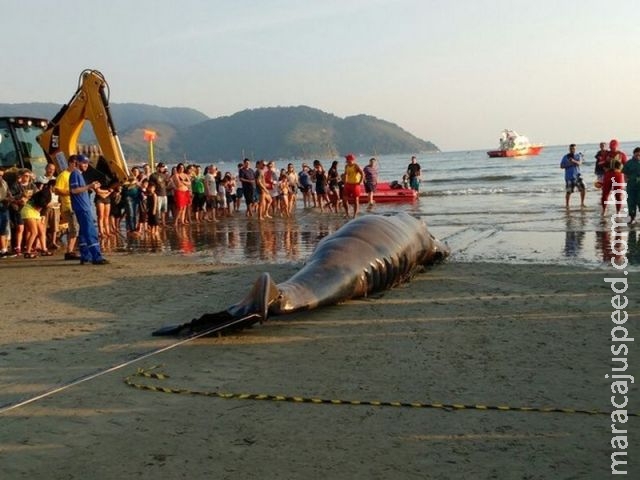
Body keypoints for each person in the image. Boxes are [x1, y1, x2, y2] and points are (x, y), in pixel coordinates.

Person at [69, 155, 108, 265]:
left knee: (83, 232)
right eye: (83, 163)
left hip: (84, 206)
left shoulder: (80, 175)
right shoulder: (75, 174)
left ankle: (85, 256)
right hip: (82, 207)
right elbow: (74, 190)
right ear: (77, 163)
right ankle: (96, 257)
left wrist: (93, 187)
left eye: (87, 163)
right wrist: (89, 186)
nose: (86, 165)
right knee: (91, 231)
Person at [54, 157, 81, 260]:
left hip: (77, 205)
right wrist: (71, 192)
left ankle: (71, 249)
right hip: (68, 205)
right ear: (69, 163)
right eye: (74, 163)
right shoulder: (63, 175)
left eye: (77, 163)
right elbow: (57, 190)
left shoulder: (75, 175)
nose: (76, 165)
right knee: (74, 228)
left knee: (75, 228)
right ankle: (69, 251)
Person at [598, 139, 627, 215]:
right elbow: (600, 163)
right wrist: (606, 161)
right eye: (611, 147)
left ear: (617, 146)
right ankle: (604, 210)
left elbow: (626, 166)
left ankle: (618, 211)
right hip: (608, 174)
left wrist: (627, 177)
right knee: (605, 194)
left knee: (618, 194)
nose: (612, 149)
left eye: (614, 147)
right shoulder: (606, 154)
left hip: (618, 175)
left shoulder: (621, 154)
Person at [559, 144, 586, 208]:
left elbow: (580, 163)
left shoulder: (577, 155)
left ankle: (582, 203)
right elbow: (561, 166)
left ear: (575, 149)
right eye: (571, 149)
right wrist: (569, 163)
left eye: (573, 149)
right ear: (569, 149)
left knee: (583, 188)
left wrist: (574, 161)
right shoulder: (565, 157)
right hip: (569, 177)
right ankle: (567, 205)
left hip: (578, 175)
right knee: (569, 191)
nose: (572, 150)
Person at [622, 147, 640, 225]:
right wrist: (626, 180)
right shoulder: (629, 163)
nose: (638, 156)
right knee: (631, 202)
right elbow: (625, 173)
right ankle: (632, 218)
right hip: (631, 185)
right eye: (637, 154)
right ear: (634, 154)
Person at [343, 153, 364, 218]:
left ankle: (354, 215)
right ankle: (347, 213)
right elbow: (345, 174)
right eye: (346, 159)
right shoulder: (346, 166)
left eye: (347, 159)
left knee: (355, 200)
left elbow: (362, 174)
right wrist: (345, 182)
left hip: (355, 185)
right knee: (344, 199)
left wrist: (360, 182)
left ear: (351, 159)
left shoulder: (356, 166)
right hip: (348, 184)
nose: (346, 160)